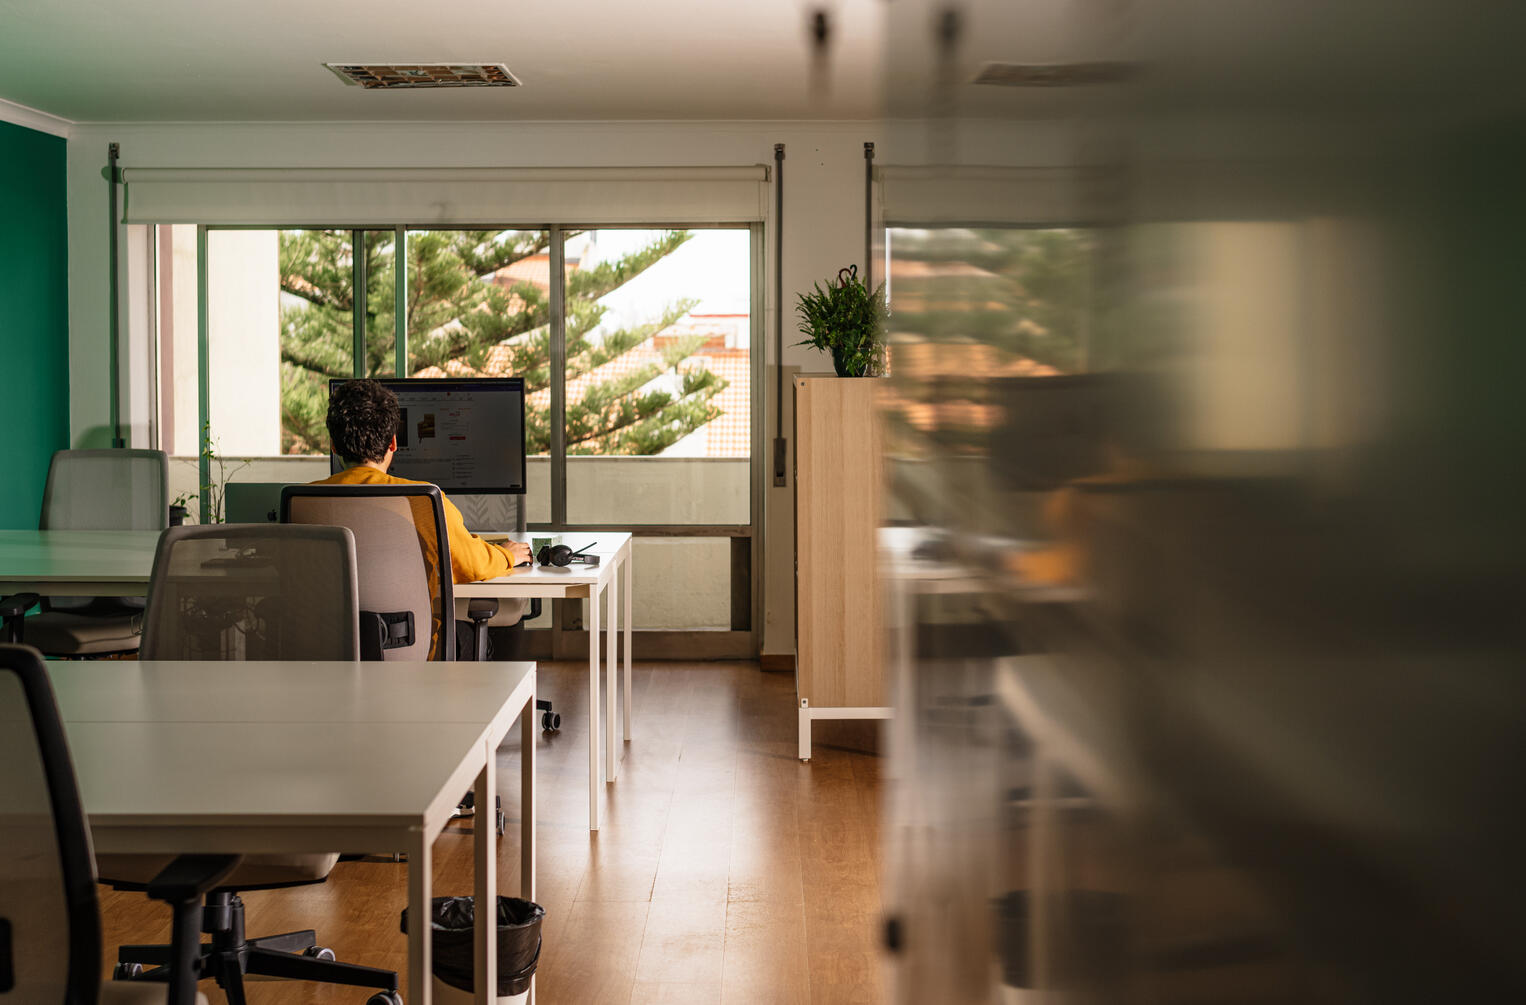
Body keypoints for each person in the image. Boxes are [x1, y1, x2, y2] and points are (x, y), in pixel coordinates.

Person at [313, 378, 533, 581]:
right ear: (393, 443)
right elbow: (470, 565)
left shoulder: (301, 501)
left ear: (333, 445)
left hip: (326, 625)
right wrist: (507, 555)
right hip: (409, 624)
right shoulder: (423, 499)